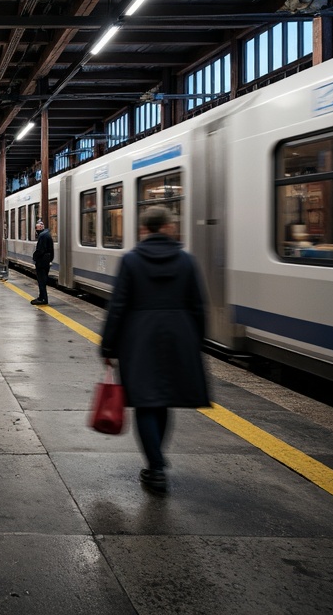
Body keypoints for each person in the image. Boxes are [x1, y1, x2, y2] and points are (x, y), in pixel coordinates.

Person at [99, 205, 210, 495]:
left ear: (143, 230)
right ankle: (157, 464)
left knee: (146, 404)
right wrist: (196, 341)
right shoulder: (186, 261)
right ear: (169, 227)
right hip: (178, 338)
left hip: (139, 339)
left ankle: (156, 466)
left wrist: (108, 344)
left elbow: (118, 307)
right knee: (163, 403)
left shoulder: (131, 261)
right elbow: (198, 306)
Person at [31, 218, 54, 305]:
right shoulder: (47, 234)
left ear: (38, 228)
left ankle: (43, 299)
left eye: (36, 229)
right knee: (43, 280)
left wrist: (35, 257)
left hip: (42, 262)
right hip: (46, 261)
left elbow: (40, 250)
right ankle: (42, 297)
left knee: (41, 281)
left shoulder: (42, 236)